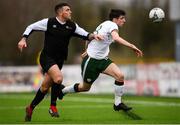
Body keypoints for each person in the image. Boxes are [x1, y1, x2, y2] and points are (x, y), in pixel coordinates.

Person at [18, 3, 102, 121]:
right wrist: (23, 39)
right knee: (58, 78)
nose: (70, 12)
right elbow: (31, 27)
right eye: (68, 10)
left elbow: (85, 34)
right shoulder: (49, 22)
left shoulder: (72, 26)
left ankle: (30, 107)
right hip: (46, 57)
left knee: (44, 87)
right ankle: (53, 106)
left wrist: (95, 36)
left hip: (59, 60)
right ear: (60, 12)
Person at [58, 9, 143, 112]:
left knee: (120, 76)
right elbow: (116, 38)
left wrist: (86, 49)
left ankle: (117, 104)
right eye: (122, 18)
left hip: (103, 60)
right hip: (91, 61)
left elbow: (89, 37)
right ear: (115, 19)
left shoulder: (105, 24)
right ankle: (63, 90)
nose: (124, 20)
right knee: (85, 88)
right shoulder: (112, 25)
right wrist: (132, 46)